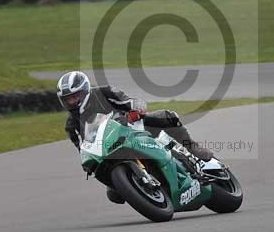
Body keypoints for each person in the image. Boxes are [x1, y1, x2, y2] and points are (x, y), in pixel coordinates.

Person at [57, 71, 214, 204]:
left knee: (167, 117)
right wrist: (86, 161)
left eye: (75, 96)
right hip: (108, 149)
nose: (72, 101)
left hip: (132, 127)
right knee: (114, 195)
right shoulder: (72, 125)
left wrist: (135, 109)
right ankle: (142, 186)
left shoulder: (104, 93)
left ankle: (192, 147)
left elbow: (128, 101)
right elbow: (82, 147)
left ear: (84, 90)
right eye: (68, 99)